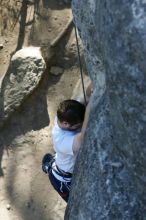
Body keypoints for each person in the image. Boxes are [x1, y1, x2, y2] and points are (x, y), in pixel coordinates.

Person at [42, 85, 93, 202]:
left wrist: (94, 86)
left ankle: (49, 165)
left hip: (61, 160)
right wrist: (89, 110)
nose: (80, 125)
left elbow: (86, 97)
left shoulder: (64, 114)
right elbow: (81, 139)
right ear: (65, 124)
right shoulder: (61, 140)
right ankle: (49, 168)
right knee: (74, 201)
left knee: (59, 159)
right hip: (64, 180)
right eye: (78, 125)